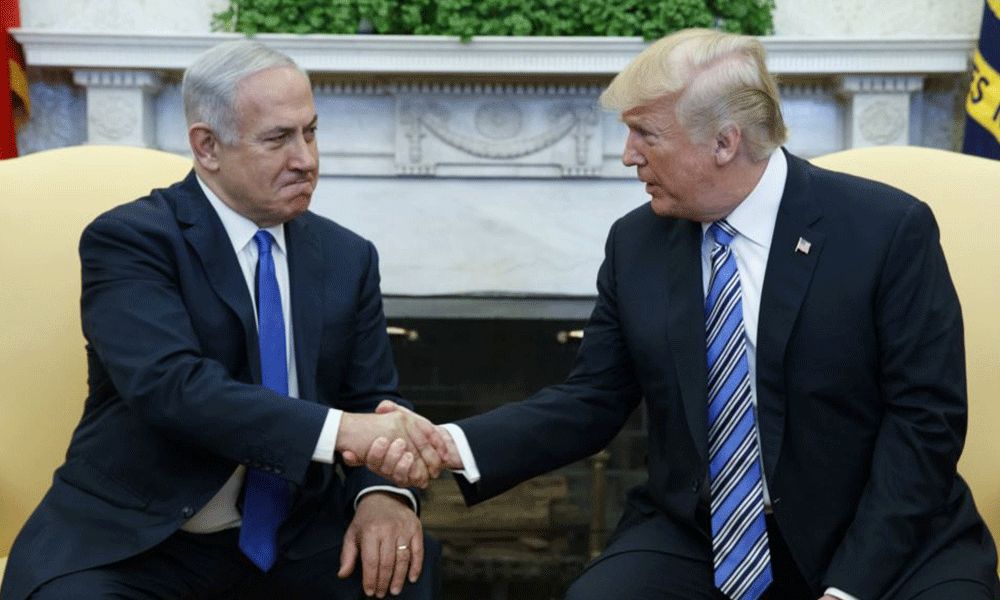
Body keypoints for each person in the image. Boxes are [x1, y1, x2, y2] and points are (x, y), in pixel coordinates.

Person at [363, 28, 1000, 600]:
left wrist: (851, 589)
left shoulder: (887, 230)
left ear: (724, 142)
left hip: (884, 532)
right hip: (704, 535)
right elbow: (592, 400)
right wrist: (448, 444)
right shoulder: (637, 242)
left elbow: (925, 423)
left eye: (647, 134)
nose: (628, 155)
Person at [0, 40, 446, 600]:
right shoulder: (132, 240)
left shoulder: (347, 257)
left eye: (310, 132)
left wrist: (382, 495)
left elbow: (374, 398)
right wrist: (342, 431)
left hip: (294, 533)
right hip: (142, 537)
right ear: (207, 146)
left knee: (402, 572)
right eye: (278, 139)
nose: (306, 159)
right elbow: (173, 388)